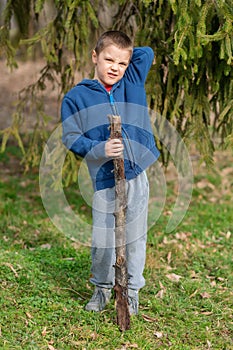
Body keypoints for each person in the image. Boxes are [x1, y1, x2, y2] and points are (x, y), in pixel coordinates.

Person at [61, 30, 160, 315]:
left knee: (135, 235)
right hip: (104, 179)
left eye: (121, 62)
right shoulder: (77, 97)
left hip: (136, 173)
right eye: (108, 59)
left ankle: (130, 291)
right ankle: (102, 288)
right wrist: (99, 148)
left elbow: (146, 53)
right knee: (103, 237)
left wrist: (122, 52)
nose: (114, 67)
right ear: (94, 57)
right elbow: (70, 137)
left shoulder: (131, 81)